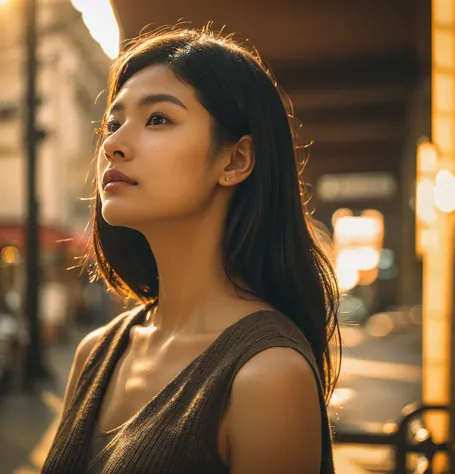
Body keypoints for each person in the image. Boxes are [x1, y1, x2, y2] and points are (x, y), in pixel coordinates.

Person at [42, 26, 341, 474]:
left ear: (235, 160)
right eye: (113, 122)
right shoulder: (97, 352)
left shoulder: (268, 375)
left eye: (157, 119)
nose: (112, 144)